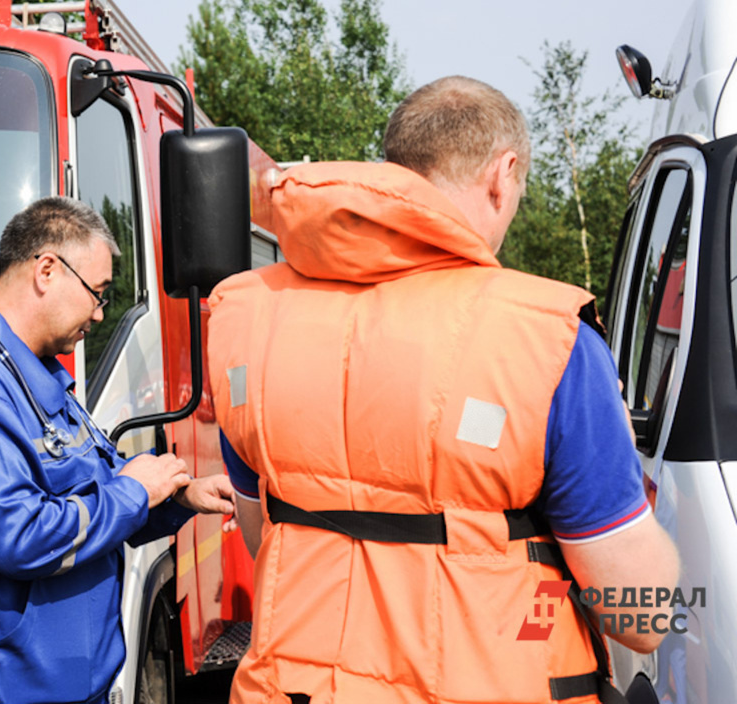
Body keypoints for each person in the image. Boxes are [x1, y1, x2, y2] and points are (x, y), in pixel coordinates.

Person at [207, 76, 681, 704]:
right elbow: (638, 617)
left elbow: (268, 537)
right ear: (502, 174)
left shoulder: (248, 318)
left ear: (397, 173)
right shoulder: (549, 341)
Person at [0, 196, 235, 704]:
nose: (101, 314)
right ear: (47, 271)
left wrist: (175, 497)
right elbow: (20, 536)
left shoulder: (37, 376)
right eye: (98, 293)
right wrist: (133, 493)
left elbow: (95, 490)